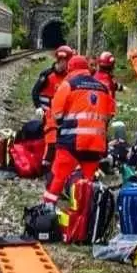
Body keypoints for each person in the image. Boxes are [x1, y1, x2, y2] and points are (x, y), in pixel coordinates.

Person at [41, 55, 116, 206]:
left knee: (57, 177)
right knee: (87, 183)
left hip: (71, 142)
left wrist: (64, 125)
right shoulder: (103, 87)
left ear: (70, 68)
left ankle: (47, 209)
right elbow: (110, 113)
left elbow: (56, 114)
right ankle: (84, 217)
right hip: (95, 144)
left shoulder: (68, 84)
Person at [32, 45, 74, 172]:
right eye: (61, 61)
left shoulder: (69, 77)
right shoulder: (47, 75)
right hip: (48, 112)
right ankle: (46, 163)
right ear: (57, 60)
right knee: (51, 135)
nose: (63, 64)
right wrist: (38, 107)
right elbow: (35, 91)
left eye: (65, 62)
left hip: (63, 113)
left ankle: (63, 161)